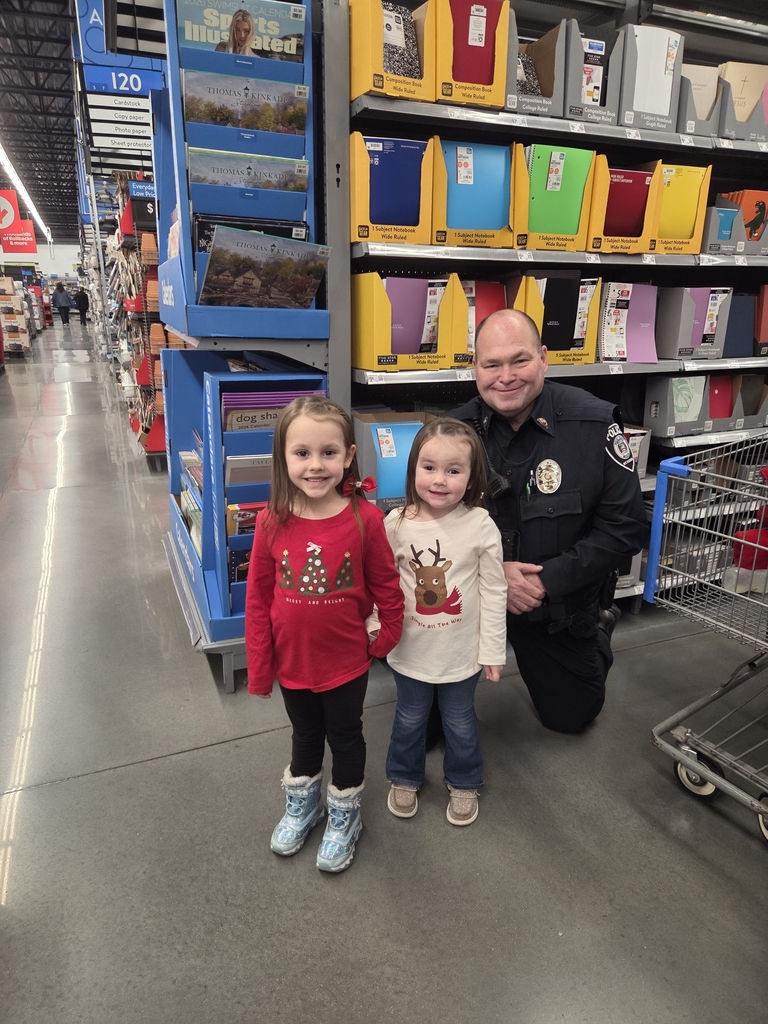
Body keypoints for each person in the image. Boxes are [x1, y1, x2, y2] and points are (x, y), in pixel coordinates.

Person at [452, 309, 648, 734]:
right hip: (469, 597)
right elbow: (425, 526)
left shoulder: (594, 424)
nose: (506, 377)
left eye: (519, 360)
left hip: (548, 604)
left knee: (572, 715)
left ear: (543, 358)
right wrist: (493, 575)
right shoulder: (453, 432)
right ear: (475, 367)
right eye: (491, 364)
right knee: (427, 728)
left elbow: (625, 528)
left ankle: (597, 629)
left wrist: (545, 581)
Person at [245, 396, 404, 872]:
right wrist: (261, 667)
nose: (315, 465)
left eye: (328, 452)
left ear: (349, 456)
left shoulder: (365, 519)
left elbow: (387, 585)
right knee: (305, 735)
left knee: (347, 736)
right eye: (302, 453)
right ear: (283, 457)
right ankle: (305, 802)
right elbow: (258, 598)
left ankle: (345, 812)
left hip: (347, 663)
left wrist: (387, 636)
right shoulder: (271, 520)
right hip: (293, 663)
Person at [382, 417, 508, 827]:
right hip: (409, 652)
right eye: (429, 467)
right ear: (413, 469)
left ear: (471, 478)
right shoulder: (395, 524)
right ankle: (403, 775)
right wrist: (373, 627)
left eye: (453, 470)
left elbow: (494, 590)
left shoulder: (480, 524)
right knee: (409, 717)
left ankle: (465, 780)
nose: (439, 480)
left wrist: (492, 650)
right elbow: (381, 583)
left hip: (461, 655)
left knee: (459, 719)